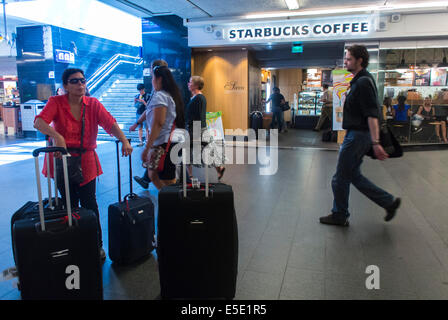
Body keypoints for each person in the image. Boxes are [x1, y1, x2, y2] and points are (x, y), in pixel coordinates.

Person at [34, 68, 133, 260]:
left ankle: (96, 244)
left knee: (89, 203)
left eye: (82, 80)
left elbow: (109, 123)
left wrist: (124, 140)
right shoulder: (56, 102)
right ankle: (73, 242)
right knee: (68, 204)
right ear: (65, 86)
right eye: (74, 81)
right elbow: (39, 122)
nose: (80, 84)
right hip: (61, 159)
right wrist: (57, 136)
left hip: (86, 159)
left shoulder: (93, 104)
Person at [319, 45, 401, 227]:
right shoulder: (360, 80)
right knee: (353, 175)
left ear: (359, 60)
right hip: (356, 134)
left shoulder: (363, 82)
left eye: (348, 59)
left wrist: (376, 142)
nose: (345, 61)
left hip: (358, 135)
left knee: (339, 178)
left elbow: (372, 114)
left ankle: (340, 215)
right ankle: (389, 202)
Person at [140, 65, 185, 190]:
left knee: (168, 180)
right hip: (165, 142)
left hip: (164, 144)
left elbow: (158, 123)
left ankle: (173, 205)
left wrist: (146, 147)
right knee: (152, 174)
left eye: (153, 77)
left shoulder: (161, 96)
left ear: (159, 79)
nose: (151, 80)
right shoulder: (168, 95)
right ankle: (167, 200)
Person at [130, 59, 168, 188]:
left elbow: (158, 122)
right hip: (162, 137)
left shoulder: (161, 93)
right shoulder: (160, 90)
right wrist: (137, 123)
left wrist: (147, 148)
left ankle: (170, 199)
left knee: (157, 172)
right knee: (157, 170)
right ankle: (147, 181)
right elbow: (149, 111)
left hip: (162, 137)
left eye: (152, 68)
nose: (150, 71)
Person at [185, 75, 225, 180]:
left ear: (196, 85)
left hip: (195, 130)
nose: (188, 84)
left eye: (190, 82)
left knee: (187, 151)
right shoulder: (198, 97)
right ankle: (219, 168)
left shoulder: (198, 98)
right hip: (200, 129)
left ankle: (190, 176)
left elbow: (196, 116)